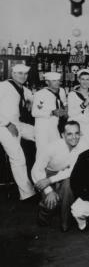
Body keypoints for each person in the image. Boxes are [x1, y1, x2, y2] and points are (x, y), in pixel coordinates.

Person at [31, 120, 86, 231]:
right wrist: (49, 190)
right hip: (45, 175)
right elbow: (36, 170)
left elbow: (72, 171)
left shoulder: (82, 147)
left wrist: (51, 180)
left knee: (68, 185)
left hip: (63, 175)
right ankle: (43, 215)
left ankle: (65, 223)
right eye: (69, 134)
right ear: (63, 135)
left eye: (77, 133)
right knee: (51, 202)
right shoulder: (52, 147)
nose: (74, 137)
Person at [0, 64, 36, 200]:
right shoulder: (3, 86)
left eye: (25, 74)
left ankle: (43, 180)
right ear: (13, 74)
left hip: (17, 123)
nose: (23, 76)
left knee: (41, 135)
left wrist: (29, 101)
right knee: (18, 157)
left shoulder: (24, 89)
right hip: (3, 125)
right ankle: (27, 194)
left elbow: (31, 97)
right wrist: (7, 124)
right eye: (20, 73)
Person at [32, 72, 68, 152]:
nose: (57, 82)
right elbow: (35, 112)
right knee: (42, 154)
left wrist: (65, 109)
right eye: (54, 80)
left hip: (56, 126)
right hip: (43, 128)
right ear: (47, 82)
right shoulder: (40, 94)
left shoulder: (61, 90)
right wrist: (52, 112)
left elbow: (64, 102)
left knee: (56, 153)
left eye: (58, 80)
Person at [68, 69, 89, 149]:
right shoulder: (72, 94)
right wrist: (85, 103)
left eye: (87, 79)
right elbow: (71, 113)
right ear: (79, 80)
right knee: (78, 150)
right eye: (82, 79)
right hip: (76, 125)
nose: (85, 82)